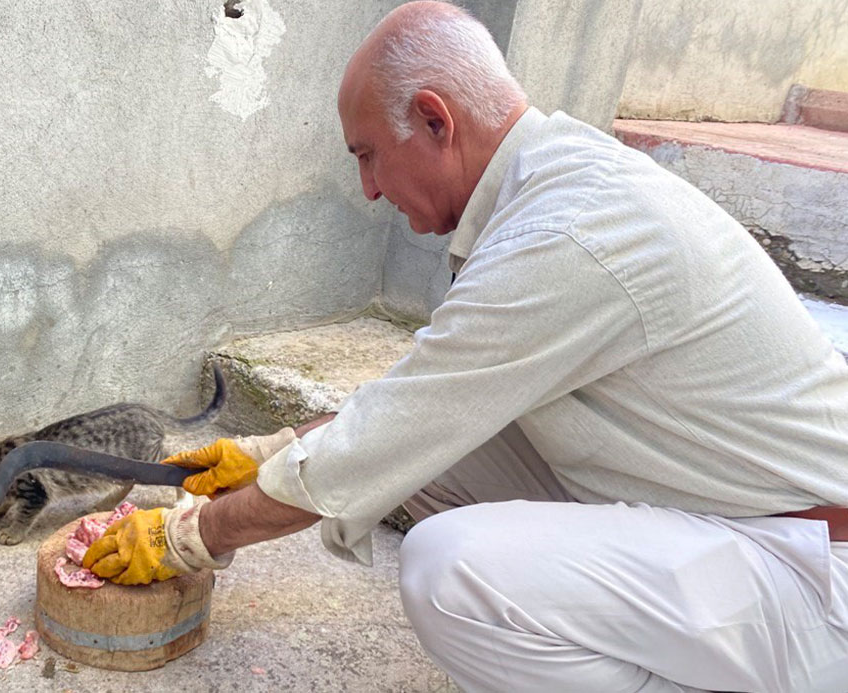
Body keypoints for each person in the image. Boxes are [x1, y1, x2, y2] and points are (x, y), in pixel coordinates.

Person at [82, 2, 848, 690]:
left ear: (434, 120)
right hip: (733, 508)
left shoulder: (564, 234)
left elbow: (392, 433)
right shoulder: (549, 184)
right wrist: (272, 452)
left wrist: (192, 535)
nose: (369, 188)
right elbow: (418, 413)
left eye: (367, 153)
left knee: (450, 571)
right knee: (430, 459)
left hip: (810, 569)